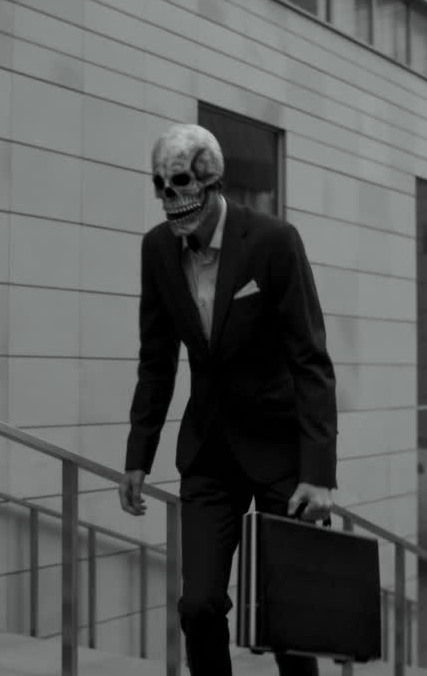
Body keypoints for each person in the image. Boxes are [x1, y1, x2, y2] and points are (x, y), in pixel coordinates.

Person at [118, 123, 338, 676]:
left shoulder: (274, 241)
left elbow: (310, 361)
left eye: (182, 183)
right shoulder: (157, 250)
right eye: (160, 186)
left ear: (212, 181)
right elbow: (156, 359)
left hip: (280, 455)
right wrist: (137, 457)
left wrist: (319, 472)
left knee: (289, 616)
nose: (171, 198)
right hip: (210, 453)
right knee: (198, 606)